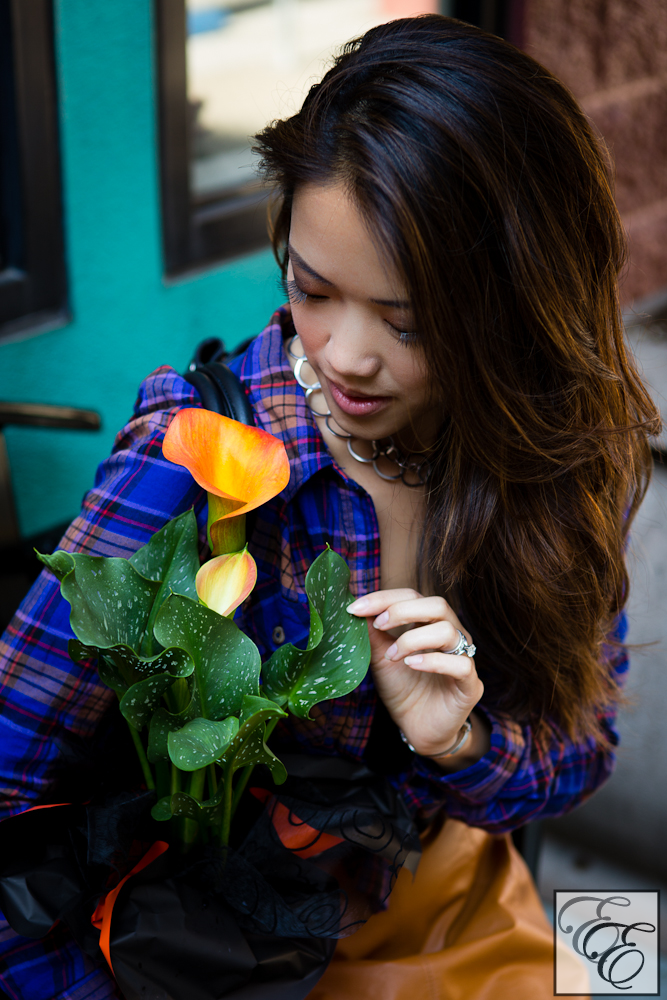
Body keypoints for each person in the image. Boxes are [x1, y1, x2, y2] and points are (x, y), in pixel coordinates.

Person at [0, 14, 658, 1000]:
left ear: (515, 305)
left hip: (448, 899)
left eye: (407, 321)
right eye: (312, 289)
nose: (347, 354)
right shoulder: (198, 459)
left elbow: (580, 757)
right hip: (223, 953)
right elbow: (10, 779)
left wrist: (460, 740)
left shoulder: (550, 456)